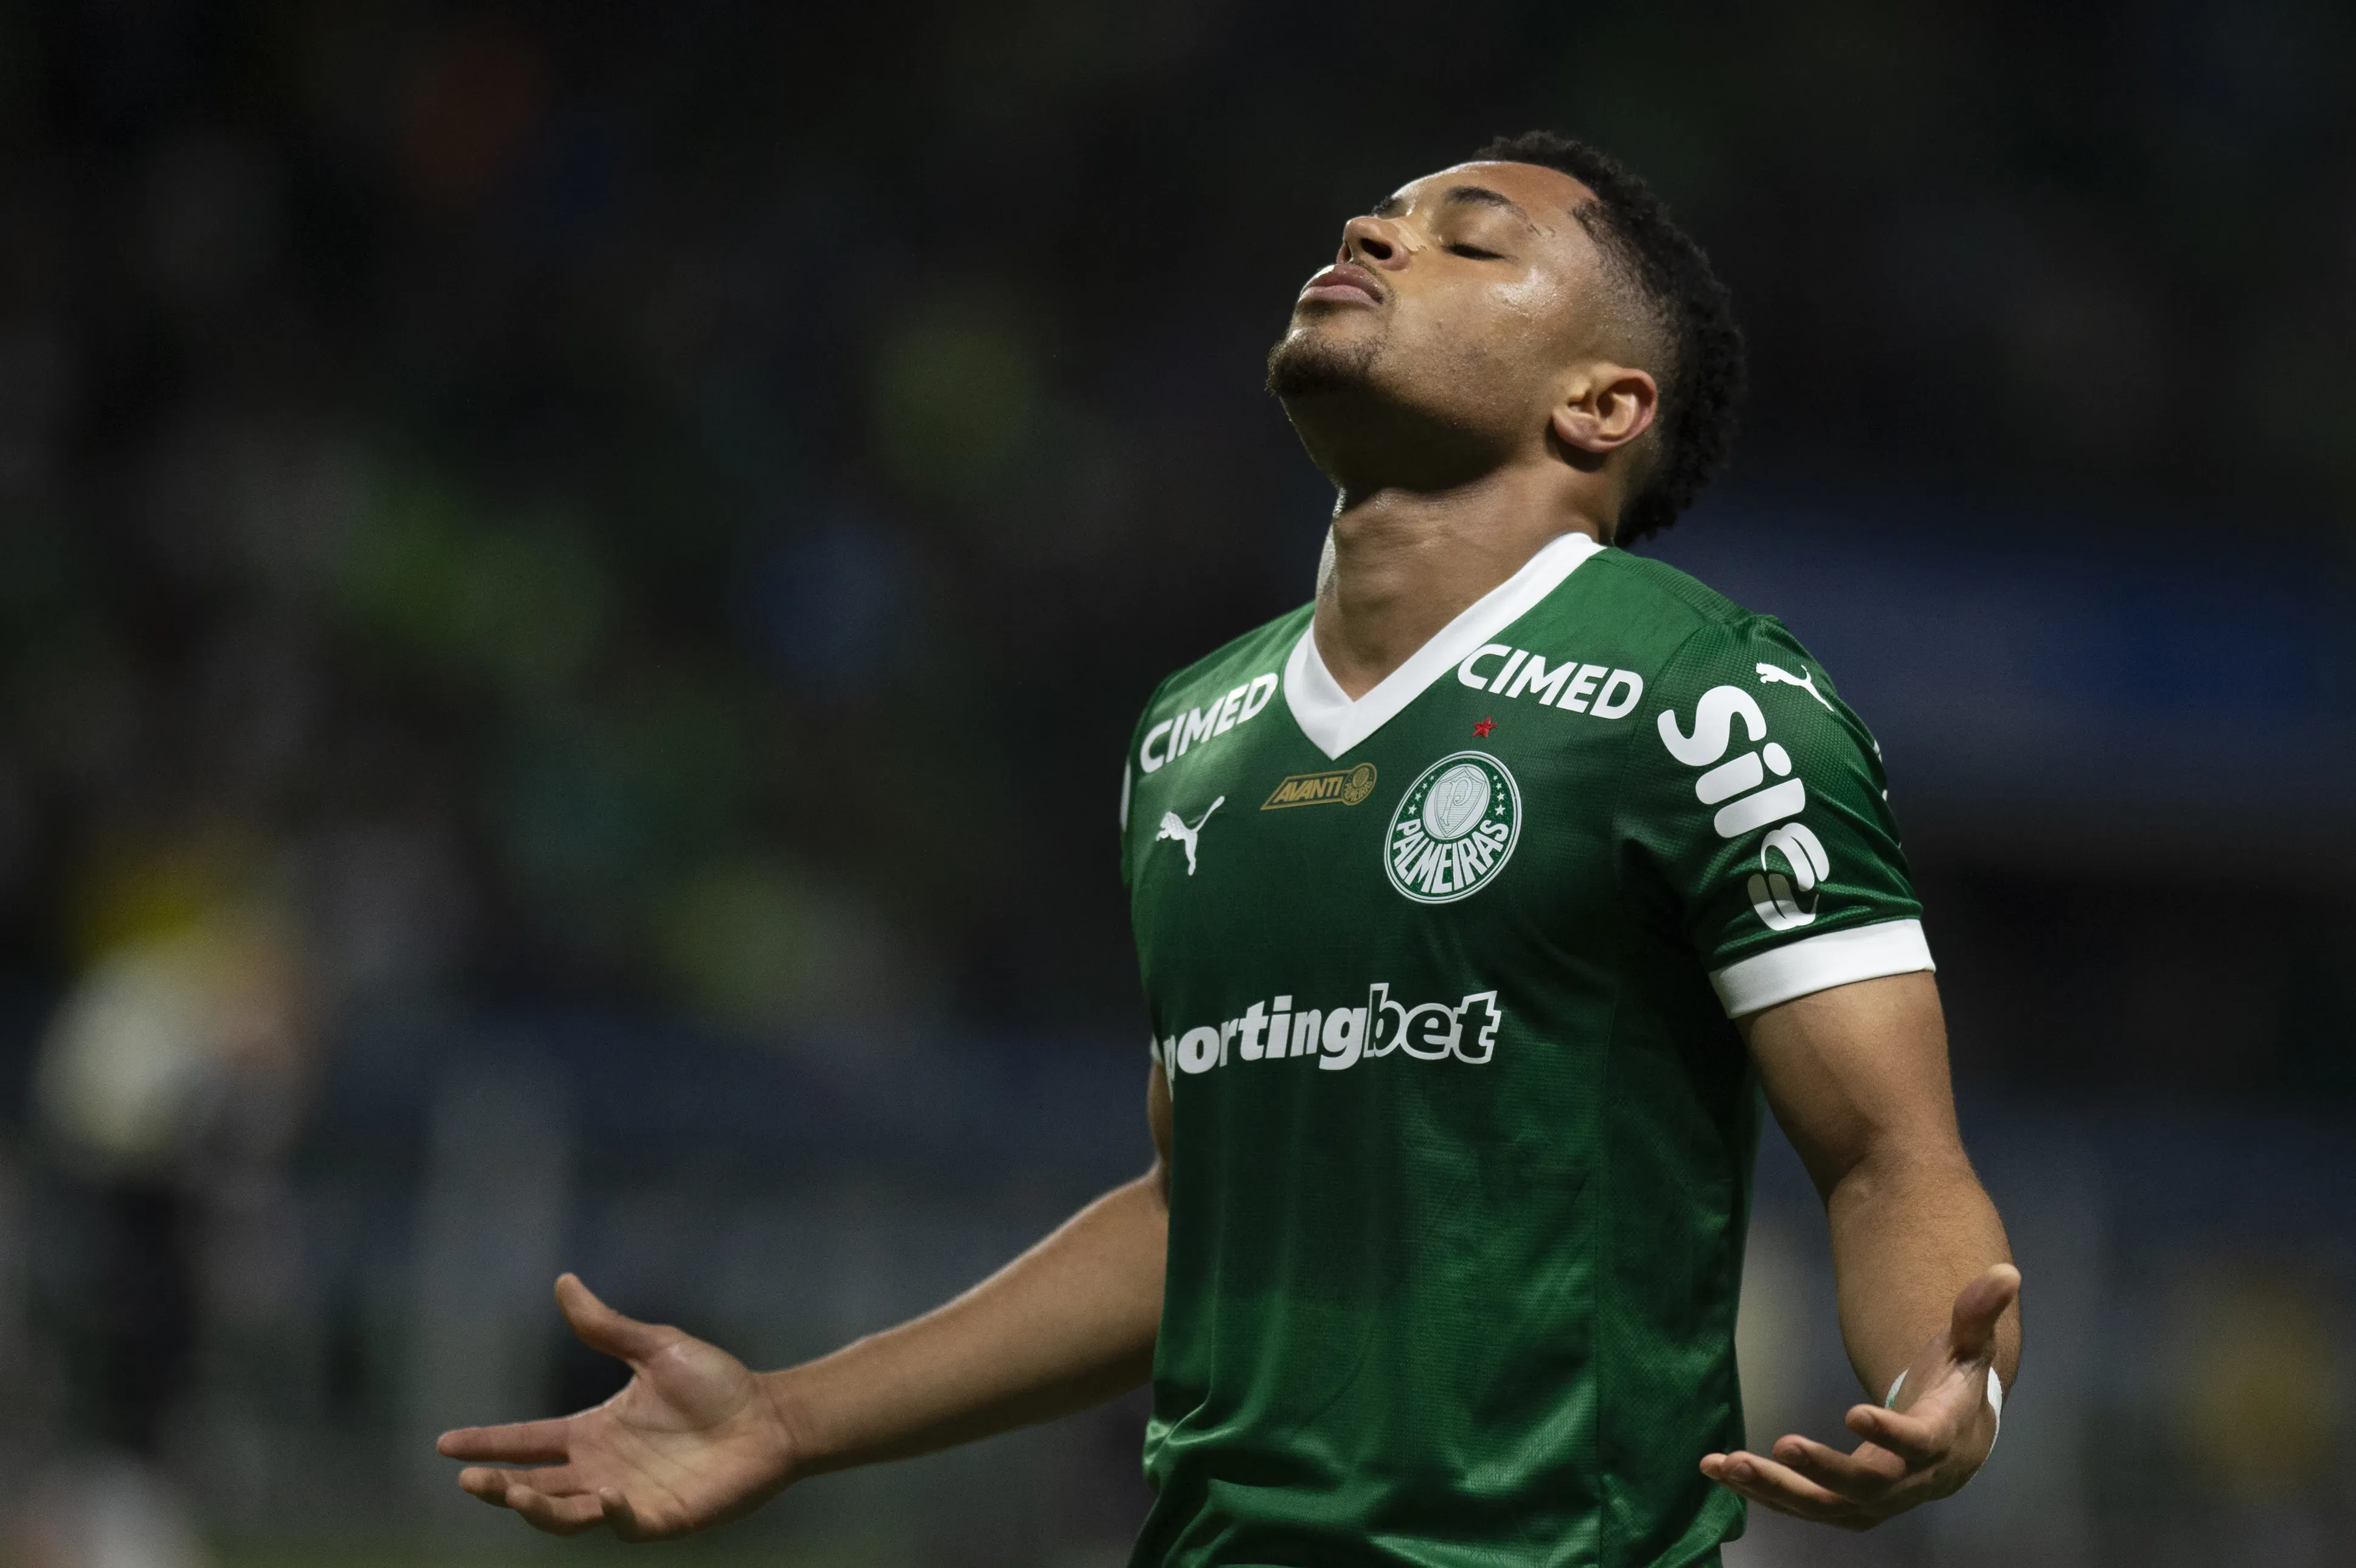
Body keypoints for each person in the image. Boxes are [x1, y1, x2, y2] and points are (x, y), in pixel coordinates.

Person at [438, 131, 2021, 1566]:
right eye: (1384, 213)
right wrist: (789, 1420)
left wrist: (1944, 1387)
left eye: (1470, 238)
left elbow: (1887, 1149)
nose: (1376, 228)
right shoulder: (1193, 732)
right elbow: (1196, 1216)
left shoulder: (1707, 698)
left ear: (1599, 406)